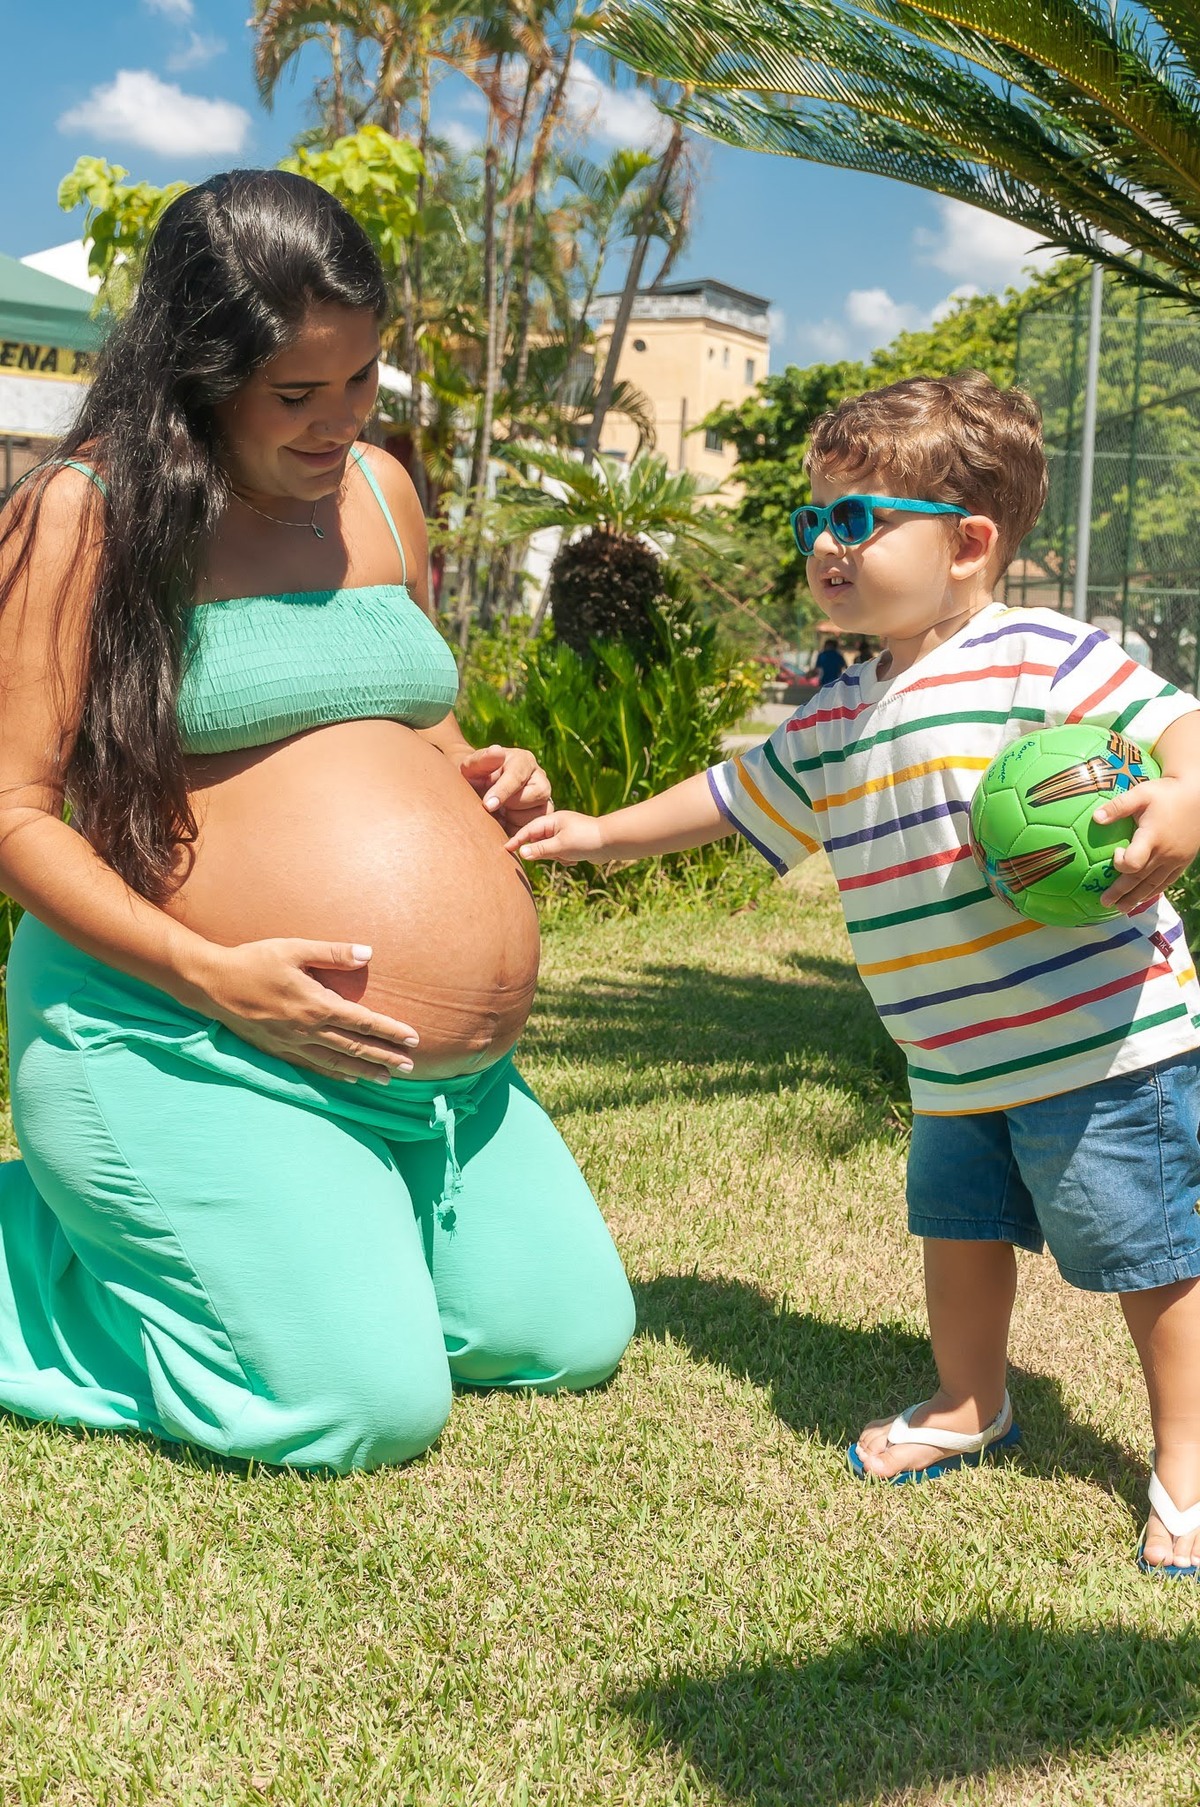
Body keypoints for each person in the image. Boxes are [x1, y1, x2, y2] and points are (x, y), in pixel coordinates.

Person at [507, 371, 1200, 1577]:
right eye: (813, 521)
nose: (825, 545)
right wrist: (601, 833)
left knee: (1151, 1257)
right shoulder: (837, 705)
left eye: (858, 520)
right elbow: (733, 797)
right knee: (959, 1232)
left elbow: (1175, 716)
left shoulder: (1034, 652)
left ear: (971, 544)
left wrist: (1185, 796)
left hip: (1096, 1039)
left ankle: (1189, 1459)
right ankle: (969, 1399)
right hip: (946, 1057)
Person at [0, 169, 634, 1475]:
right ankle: (51, 1249)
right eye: (296, 393)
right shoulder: (86, 512)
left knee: (571, 1333)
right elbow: (13, 812)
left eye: (362, 384)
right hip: (176, 1028)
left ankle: (315, 1219)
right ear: (196, 373)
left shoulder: (383, 495)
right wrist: (216, 974)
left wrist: (481, 772)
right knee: (361, 1408)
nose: (337, 422)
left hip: (428, 1086)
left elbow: (401, 715)